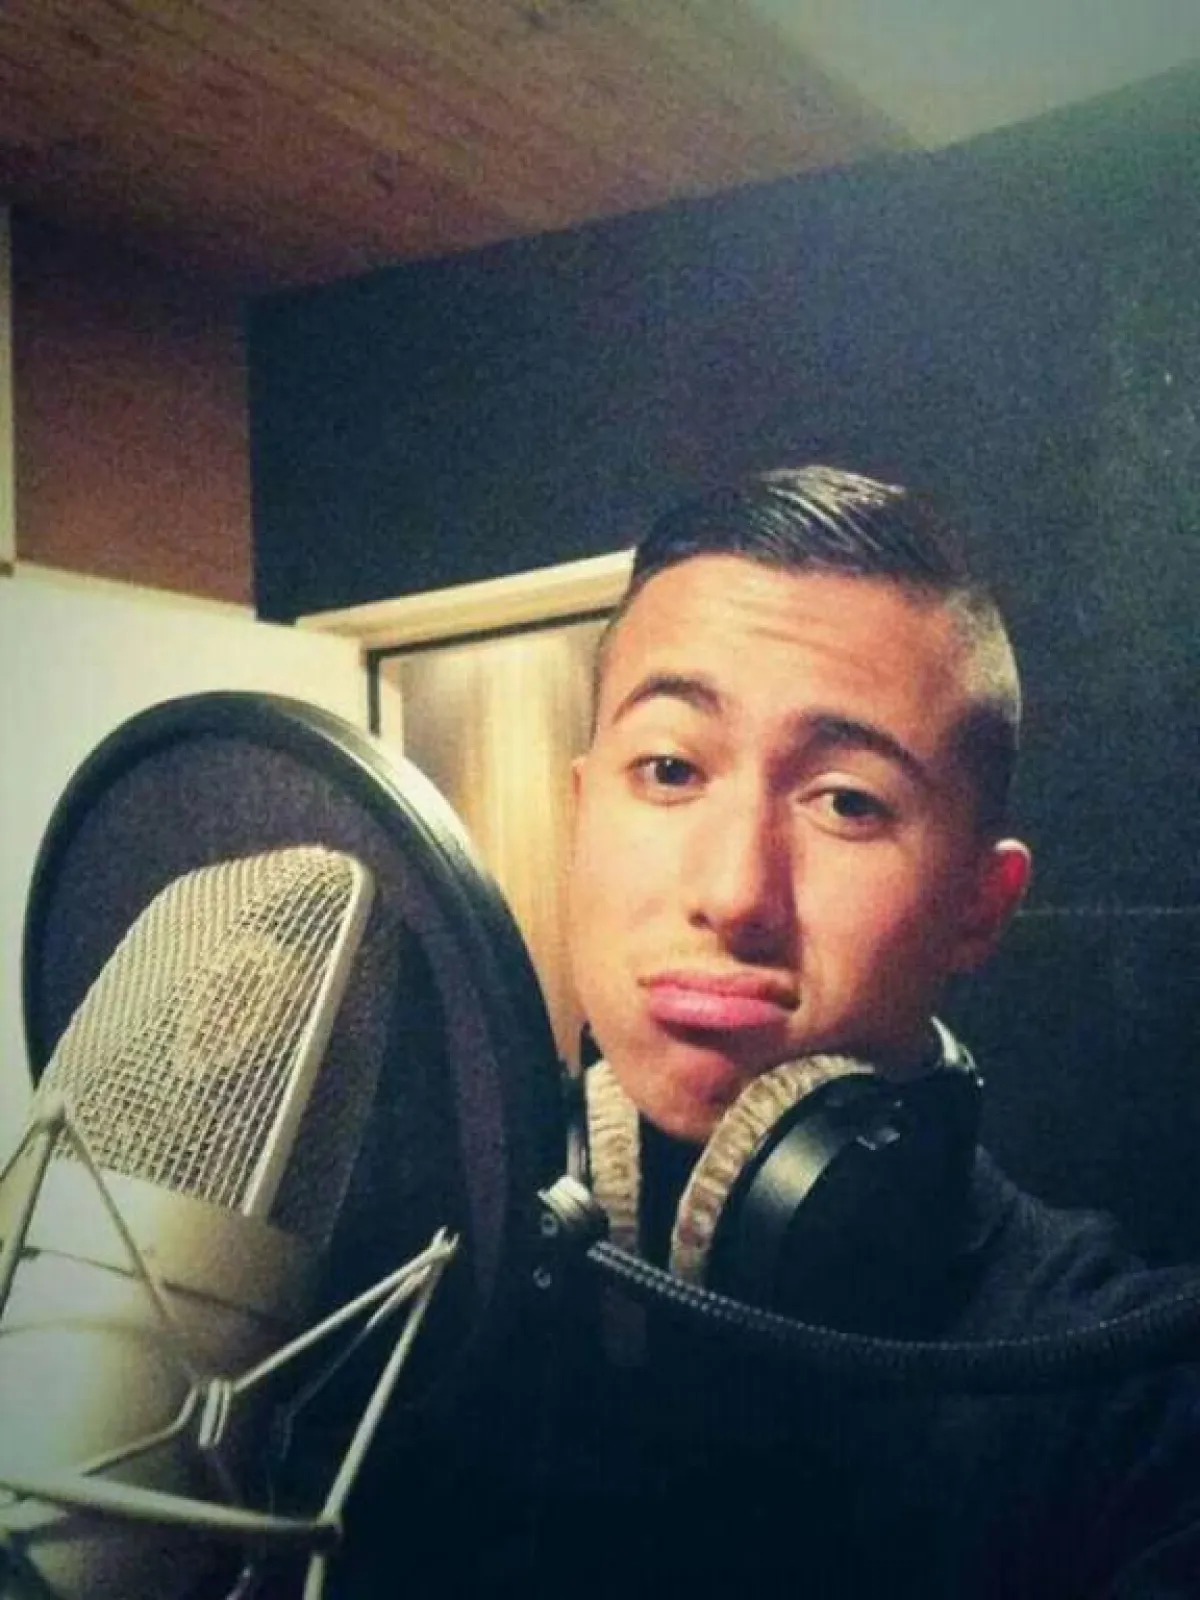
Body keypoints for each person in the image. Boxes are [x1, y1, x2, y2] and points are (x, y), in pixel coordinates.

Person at [546, 465, 1200, 1598]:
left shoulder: (1132, 1401)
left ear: (979, 906)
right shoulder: (397, 1299)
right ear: (580, 808)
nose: (735, 892)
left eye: (847, 801)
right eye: (670, 768)